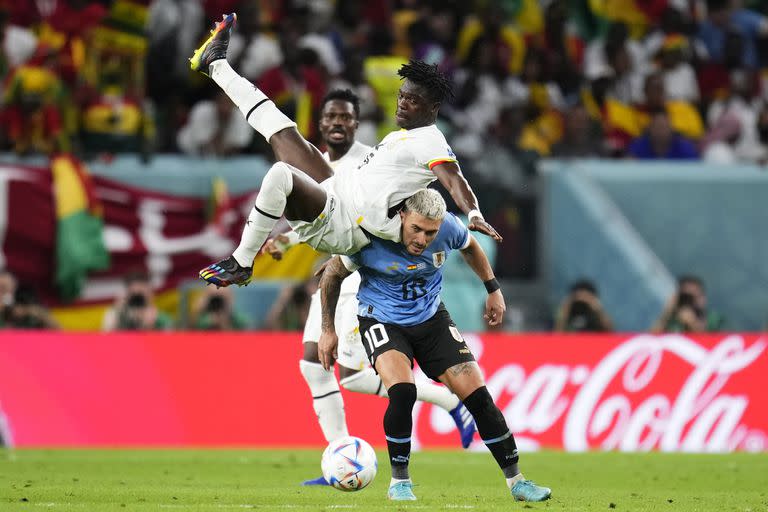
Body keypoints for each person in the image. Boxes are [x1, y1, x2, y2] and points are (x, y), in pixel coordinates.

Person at [190, 13, 501, 288]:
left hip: (344, 226)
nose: (402, 103)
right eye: (402, 95)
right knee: (280, 128)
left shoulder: (431, 141)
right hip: (337, 194)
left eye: (413, 100)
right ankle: (215, 64)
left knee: (282, 174)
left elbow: (453, 178)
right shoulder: (402, 137)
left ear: (433, 108)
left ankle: (242, 262)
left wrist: (473, 212)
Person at [262, 90, 476, 485]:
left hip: (361, 274)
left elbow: (375, 213)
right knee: (312, 366)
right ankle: (341, 461)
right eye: (330, 116)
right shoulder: (317, 165)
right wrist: (284, 239)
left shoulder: (369, 159)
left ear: (356, 124)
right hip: (332, 277)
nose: (337, 123)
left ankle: (449, 400)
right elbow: (321, 216)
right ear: (321, 123)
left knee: (349, 374)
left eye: (345, 117)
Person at [316, 189, 551, 502]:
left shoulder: (450, 227)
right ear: (401, 216)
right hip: (381, 320)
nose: (423, 239)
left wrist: (493, 289)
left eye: (431, 232)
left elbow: (470, 246)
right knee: (402, 391)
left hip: (431, 319)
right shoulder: (370, 233)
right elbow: (332, 274)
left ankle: (518, 482)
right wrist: (327, 330)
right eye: (416, 229)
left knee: (479, 398)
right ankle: (400, 483)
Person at [102, 271, 174, 331]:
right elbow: (106, 341)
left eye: (142, 294)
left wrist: (149, 326)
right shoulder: (118, 315)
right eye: (135, 295)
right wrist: (117, 313)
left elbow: (168, 344)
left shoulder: (163, 319)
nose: (138, 299)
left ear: (151, 295)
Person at [652, 275, 725, 333]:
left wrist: (693, 324)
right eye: (686, 297)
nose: (690, 301)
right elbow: (650, 340)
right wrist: (666, 313)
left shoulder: (715, 320)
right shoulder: (672, 321)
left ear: (703, 298)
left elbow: (717, 344)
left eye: (693, 297)